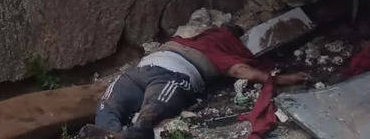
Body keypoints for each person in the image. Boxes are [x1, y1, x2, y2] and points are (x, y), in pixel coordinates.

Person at [85, 25, 309, 138]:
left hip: (145, 72)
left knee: (112, 105)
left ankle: (116, 134)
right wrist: (278, 78)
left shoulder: (189, 39)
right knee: (150, 109)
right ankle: (114, 135)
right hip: (166, 75)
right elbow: (245, 71)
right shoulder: (220, 51)